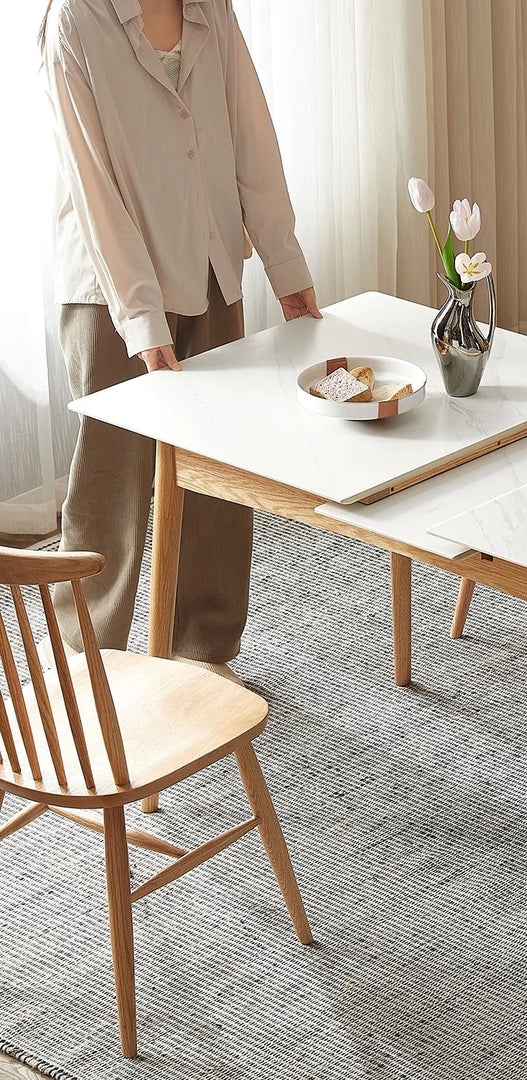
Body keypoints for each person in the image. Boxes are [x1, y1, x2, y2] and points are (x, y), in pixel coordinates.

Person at [40, 0, 320, 682]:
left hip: (210, 261)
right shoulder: (74, 20)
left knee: (219, 469)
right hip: (110, 288)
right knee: (114, 478)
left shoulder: (209, 9)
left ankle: (204, 652)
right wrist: (142, 320)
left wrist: (286, 265)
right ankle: (86, 659)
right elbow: (94, 187)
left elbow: (252, 136)